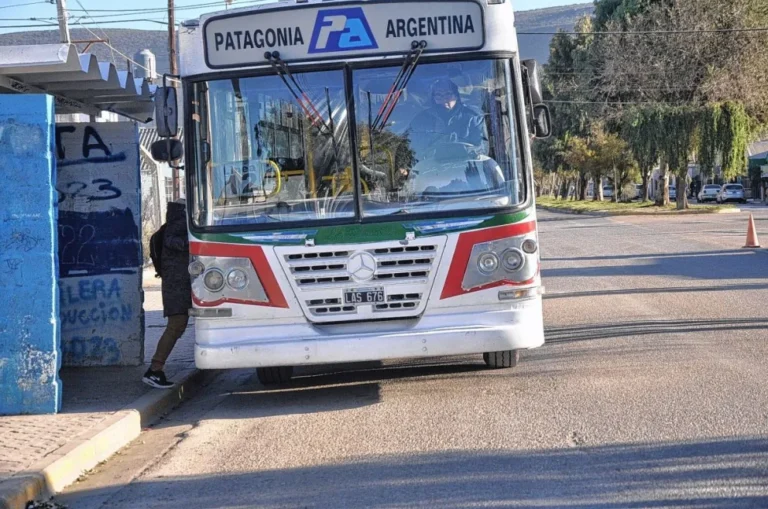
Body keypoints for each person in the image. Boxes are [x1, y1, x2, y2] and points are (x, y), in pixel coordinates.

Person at [143, 199, 192, 389]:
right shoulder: (177, 226)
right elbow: (176, 243)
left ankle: (156, 369)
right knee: (175, 326)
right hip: (177, 288)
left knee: (177, 327)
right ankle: (155, 370)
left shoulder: (174, 224)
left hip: (179, 287)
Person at [406, 78, 486, 155]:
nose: (444, 98)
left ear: (456, 96)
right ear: (433, 98)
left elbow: (481, 147)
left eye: (448, 94)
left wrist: (459, 150)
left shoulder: (473, 117)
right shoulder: (421, 120)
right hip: (429, 166)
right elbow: (412, 148)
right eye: (438, 95)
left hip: (467, 164)